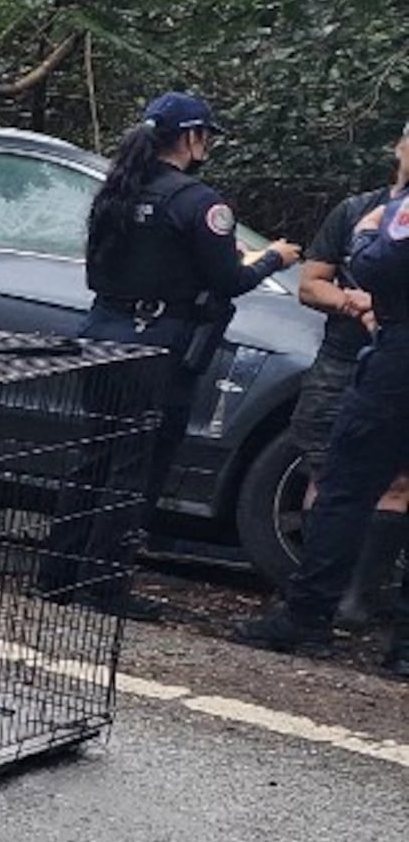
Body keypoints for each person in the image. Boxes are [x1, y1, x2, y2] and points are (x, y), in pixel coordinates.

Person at [36, 92, 300, 619]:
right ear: (192, 137)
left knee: (95, 456)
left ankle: (59, 574)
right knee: (135, 468)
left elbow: (97, 272)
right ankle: (105, 588)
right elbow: (230, 279)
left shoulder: (116, 190)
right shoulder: (199, 204)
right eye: (207, 136)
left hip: (103, 331)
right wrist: (273, 257)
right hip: (155, 346)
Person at [240, 170, 409, 676]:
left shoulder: (395, 209)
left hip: (398, 361)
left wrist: (366, 234)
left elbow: (378, 265)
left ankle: (307, 615)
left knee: (345, 486)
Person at [288, 124, 409, 628]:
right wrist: (350, 302)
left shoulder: (387, 219)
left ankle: (341, 605)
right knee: (329, 475)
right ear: (399, 146)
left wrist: (375, 288)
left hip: (392, 362)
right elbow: (311, 283)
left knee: (377, 486)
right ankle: (315, 602)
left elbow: (377, 264)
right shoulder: (355, 206)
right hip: (346, 360)